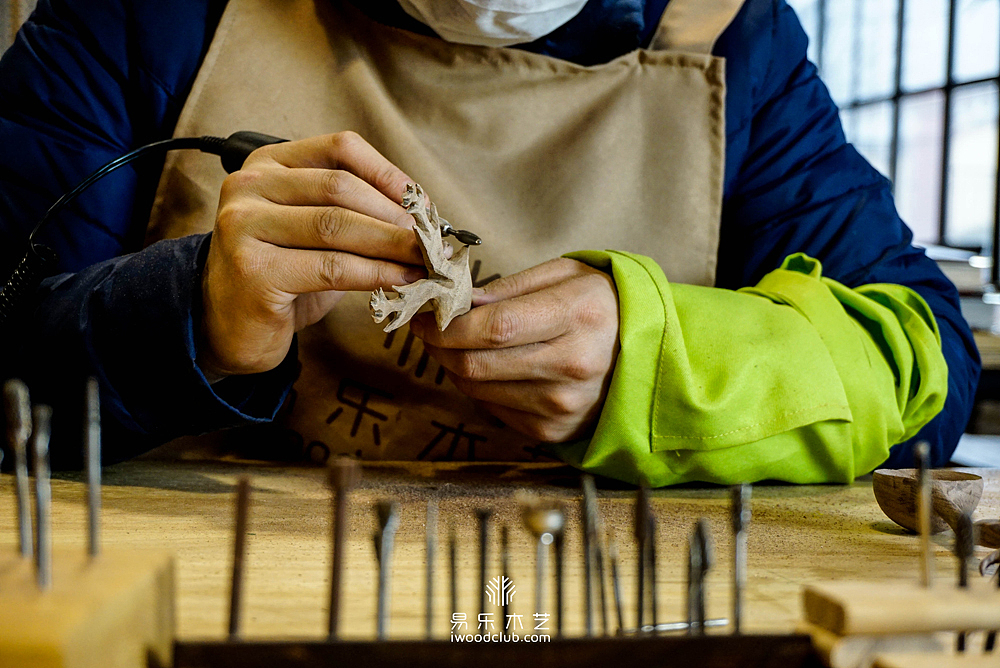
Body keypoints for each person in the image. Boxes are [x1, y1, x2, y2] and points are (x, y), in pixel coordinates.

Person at [0, 0, 979, 486]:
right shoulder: (152, 11)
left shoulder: (728, 37)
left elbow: (925, 360)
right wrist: (190, 316)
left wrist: (661, 362)